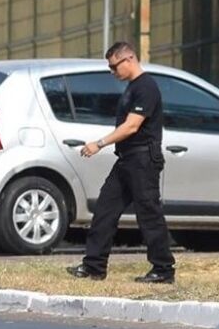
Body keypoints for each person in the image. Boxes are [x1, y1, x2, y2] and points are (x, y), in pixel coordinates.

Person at [66, 41, 176, 284]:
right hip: (126, 159)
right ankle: (94, 266)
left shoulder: (146, 87)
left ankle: (163, 269)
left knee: (149, 214)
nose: (113, 72)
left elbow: (132, 126)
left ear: (129, 59)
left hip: (143, 159)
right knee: (105, 210)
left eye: (114, 67)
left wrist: (100, 143)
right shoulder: (132, 87)